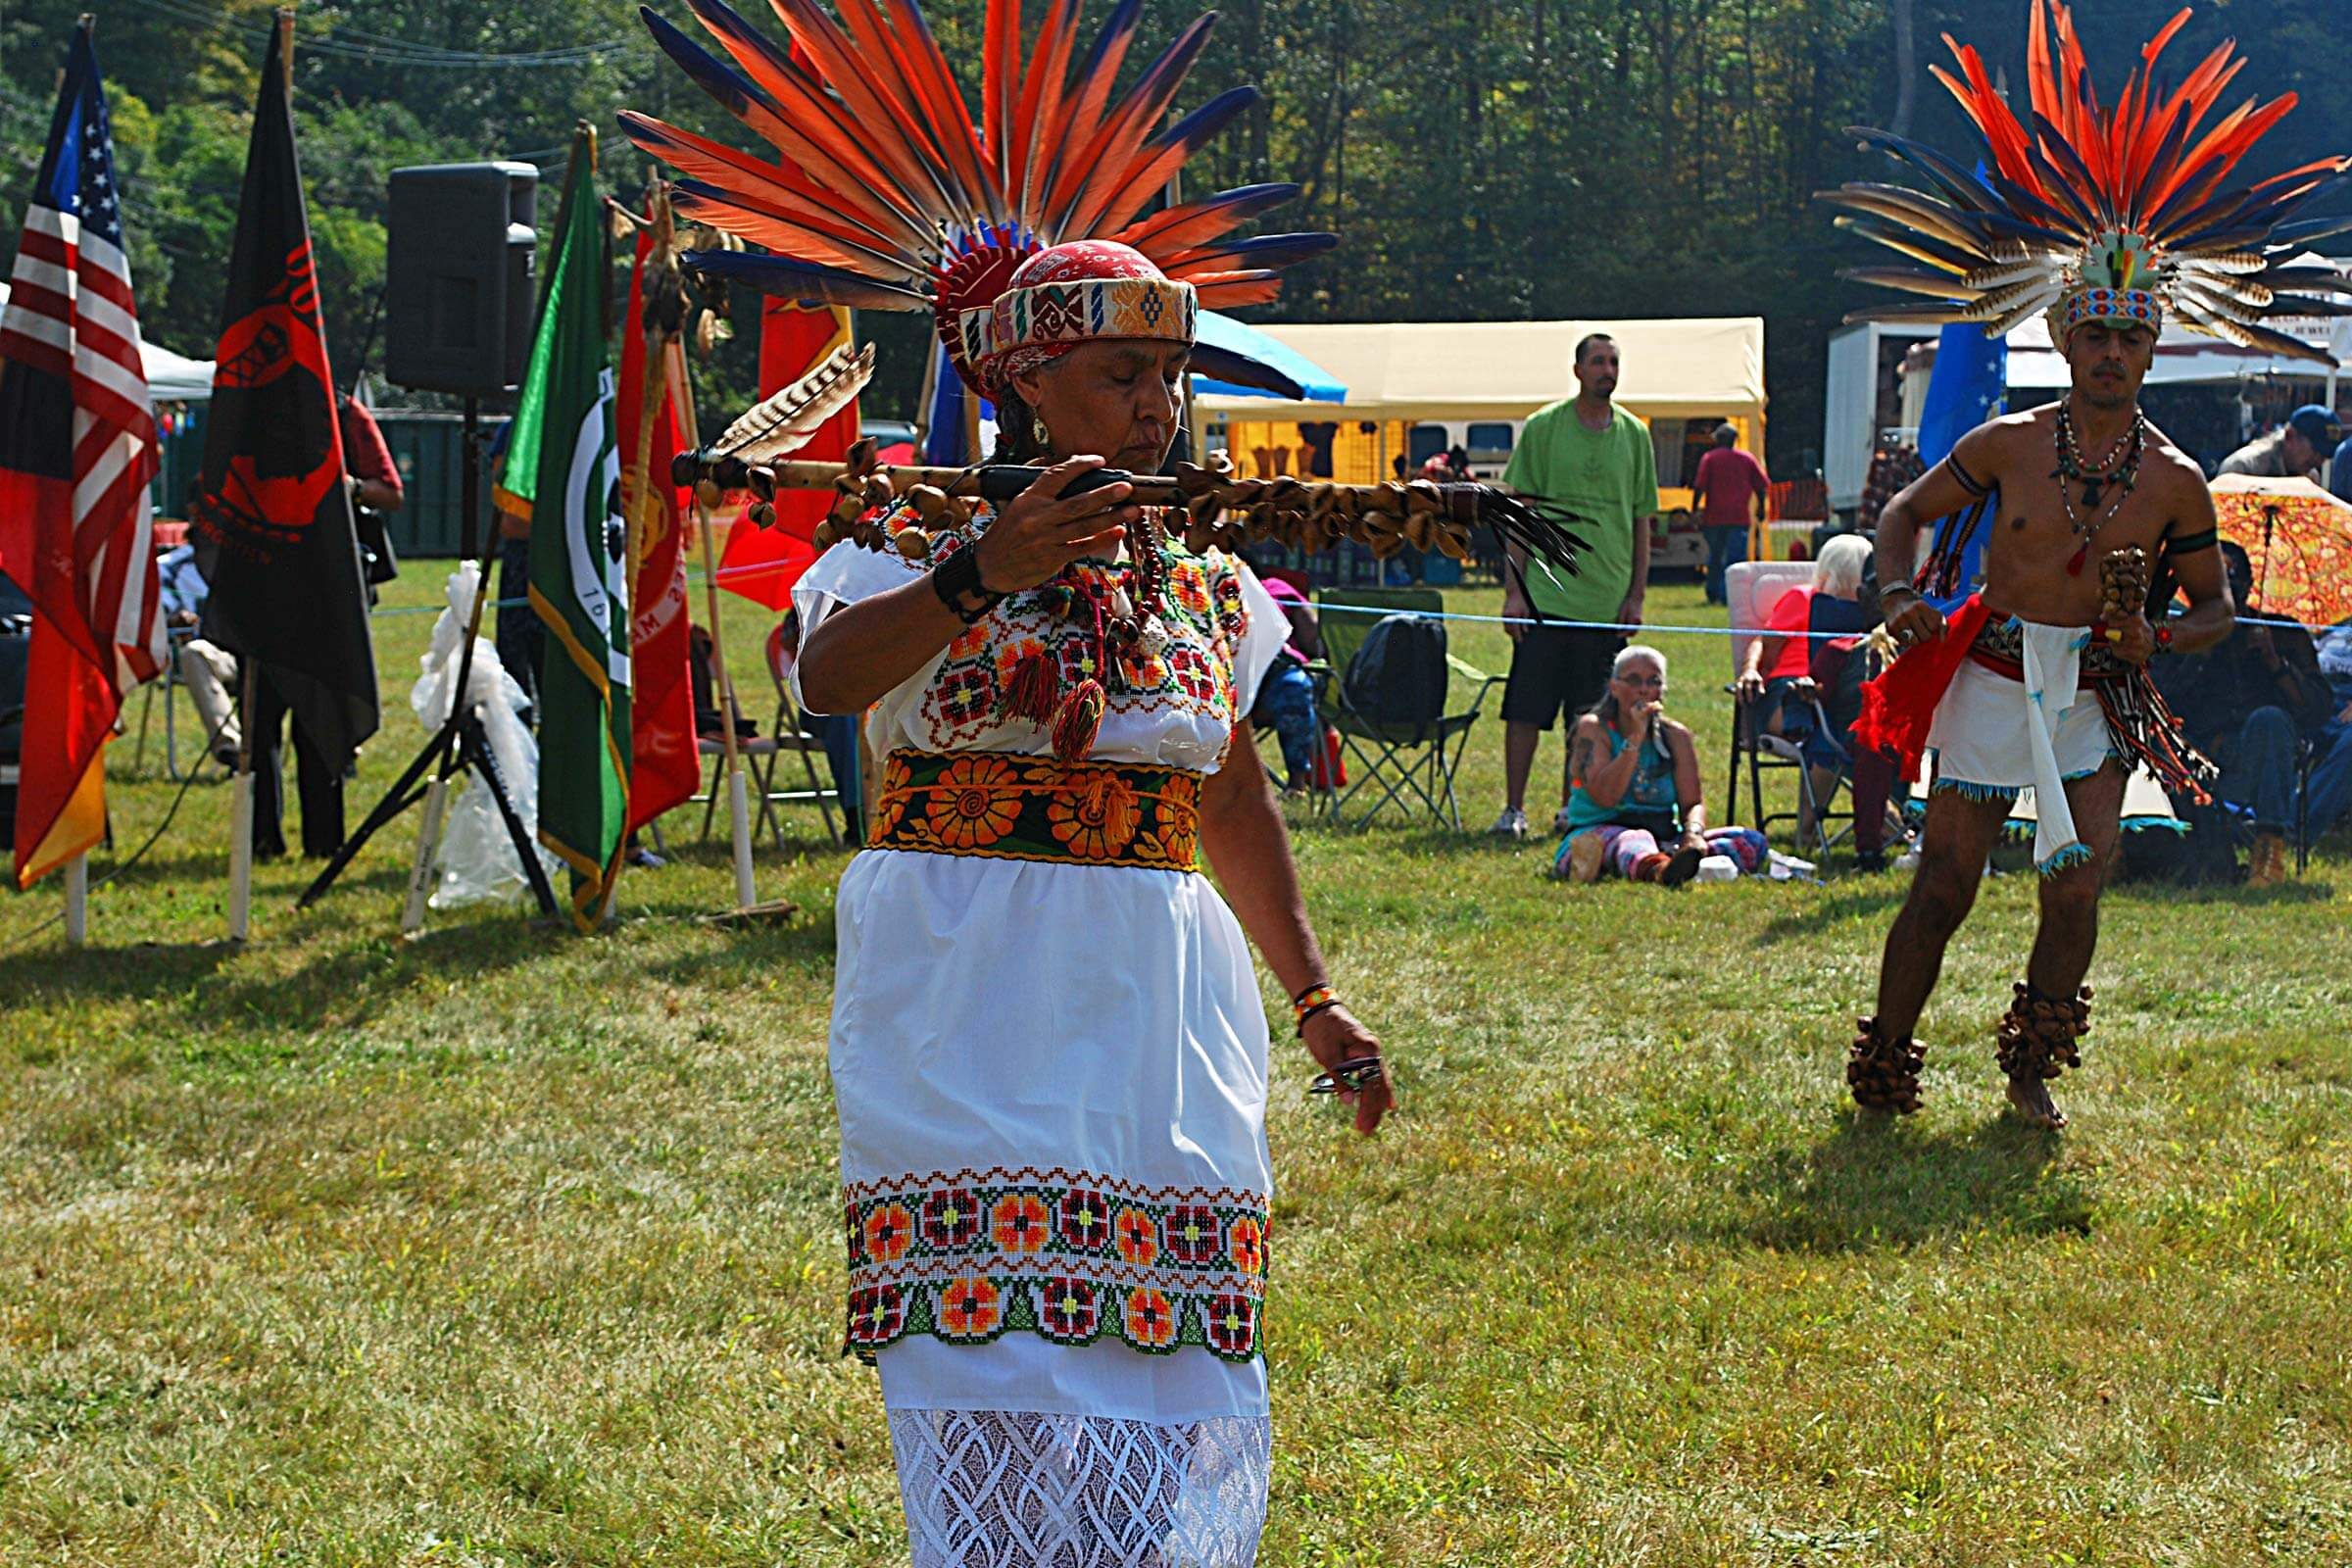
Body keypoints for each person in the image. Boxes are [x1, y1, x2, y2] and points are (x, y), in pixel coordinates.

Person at [792, 248, 1390, 1557]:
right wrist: (979, 577)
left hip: (1157, 1025)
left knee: (1166, 1354)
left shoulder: (1199, 583)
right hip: (965, 1002)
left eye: (1169, 376)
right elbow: (826, 679)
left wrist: (1317, 1001)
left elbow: (1228, 797)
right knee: (996, 1346)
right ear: (1024, 380)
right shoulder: (909, 545)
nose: (1156, 406)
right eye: (1123, 374)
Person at [1819, 4, 2332, 1129]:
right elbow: (1904, 513)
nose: (2109, 353)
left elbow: (2217, 609)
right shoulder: (2006, 446)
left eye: (2129, 337)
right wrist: (1900, 596)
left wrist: (2159, 637)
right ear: (2066, 339)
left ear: (2152, 346)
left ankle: (2029, 1071)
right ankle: (1885, 1067)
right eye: (2093, 334)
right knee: (1945, 882)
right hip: (1993, 671)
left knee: (2076, 882)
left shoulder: (2174, 480)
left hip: (2101, 690)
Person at [1491, 332, 1657, 838]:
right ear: (1578, 369)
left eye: (1614, 362)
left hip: (1604, 603)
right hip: (1545, 595)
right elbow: (1519, 512)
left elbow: (1641, 522)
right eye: (1599, 362)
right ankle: (1513, 809)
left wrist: (1635, 597)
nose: (1608, 370)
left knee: (1585, 717)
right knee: (1525, 711)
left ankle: (1571, 808)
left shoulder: (1635, 435)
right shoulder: (1544, 428)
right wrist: (1514, 590)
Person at [2157, 542, 2333, 885]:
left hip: (2259, 759)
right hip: (2198, 759)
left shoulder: (2282, 632)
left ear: (2250, 585)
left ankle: (2269, 848)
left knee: (2268, 719)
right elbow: (2163, 702)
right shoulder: (2181, 632)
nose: (2227, 588)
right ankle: (2188, 853)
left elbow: (2317, 710)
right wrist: (2197, 656)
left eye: (2234, 580)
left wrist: (2274, 663)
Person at [1553, 644, 1769, 884]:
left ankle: (1675, 863)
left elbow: (1692, 802)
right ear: (1614, 687)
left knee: (1749, 840)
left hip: (1662, 834)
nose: (1644, 690)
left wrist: (1693, 835)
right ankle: (1659, 871)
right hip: (1600, 833)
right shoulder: (1593, 729)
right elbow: (1606, 797)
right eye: (1634, 681)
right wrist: (1635, 738)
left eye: (1653, 681)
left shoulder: (1676, 736)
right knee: (1633, 840)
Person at [1735, 534, 1874, 847]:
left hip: (1838, 693)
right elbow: (1763, 642)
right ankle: (1820, 830)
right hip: (1790, 692)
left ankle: (1822, 830)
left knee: (1853, 733)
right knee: (1834, 733)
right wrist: (1749, 671)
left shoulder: (1869, 611)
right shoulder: (1804, 598)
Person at [155, 540, 241, 765]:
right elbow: (158, 613)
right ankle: (233, 749)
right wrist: (175, 617)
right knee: (194, 652)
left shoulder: (254, 559)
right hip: (213, 658)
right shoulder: (170, 566)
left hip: (258, 658)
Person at [1250, 574, 1325, 795]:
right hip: (1229, 678)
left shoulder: (1277, 589)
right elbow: (1316, 641)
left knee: (1294, 686)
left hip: (1276, 680)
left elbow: (1314, 641)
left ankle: (1296, 784)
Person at [1690, 420, 1769, 606]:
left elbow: (1699, 487)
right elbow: (1761, 486)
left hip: (1714, 518)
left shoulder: (1709, 458)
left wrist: (1694, 510)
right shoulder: (1747, 459)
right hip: (1739, 517)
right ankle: (1731, 594)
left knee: (1715, 556)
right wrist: (1761, 508)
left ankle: (1713, 592)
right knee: (1735, 559)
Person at [2218, 404, 2335, 480]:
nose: (2319, 461)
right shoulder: (2242, 467)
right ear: (2290, 436)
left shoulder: (2310, 477)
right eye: (2315, 451)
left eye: (2325, 455)